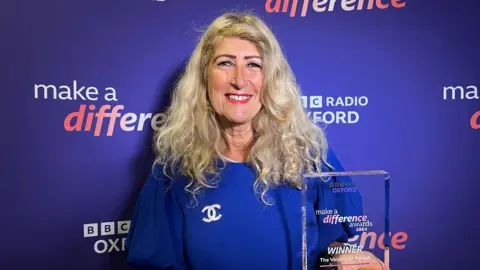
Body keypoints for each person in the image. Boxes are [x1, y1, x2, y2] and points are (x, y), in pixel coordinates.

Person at [125, 11, 387, 270]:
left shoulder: (310, 156)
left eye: (253, 64)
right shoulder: (174, 171)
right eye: (225, 63)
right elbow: (156, 262)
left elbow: (333, 243)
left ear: (271, 79)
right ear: (205, 78)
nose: (239, 80)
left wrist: (344, 256)